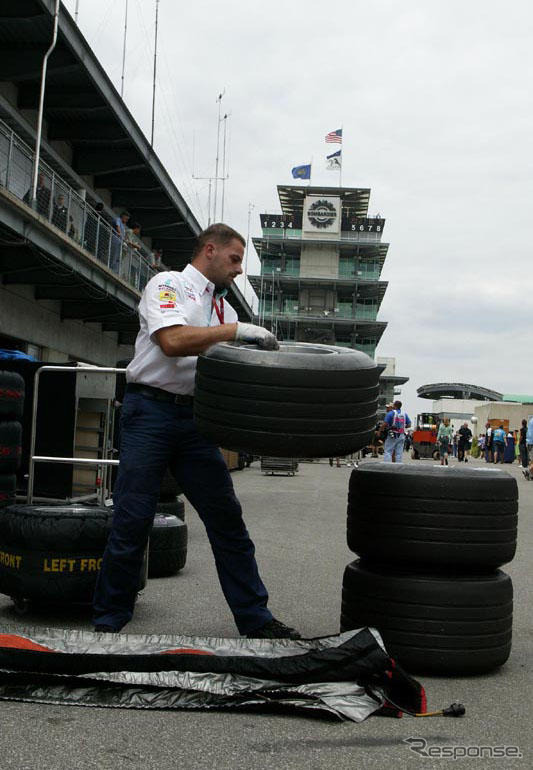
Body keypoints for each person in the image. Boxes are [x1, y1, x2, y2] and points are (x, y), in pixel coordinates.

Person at [92, 223, 300, 640]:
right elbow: (171, 341)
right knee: (133, 519)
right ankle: (108, 623)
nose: (239, 270)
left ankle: (256, 621)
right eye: (235, 259)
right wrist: (237, 332)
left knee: (227, 520)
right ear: (209, 250)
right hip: (148, 411)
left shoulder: (223, 310)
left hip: (194, 420)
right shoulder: (168, 284)